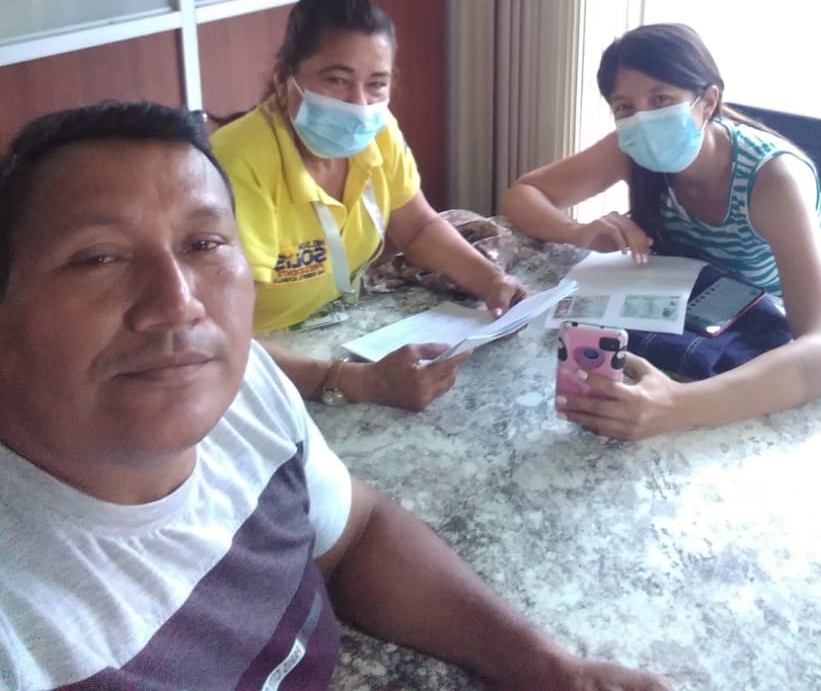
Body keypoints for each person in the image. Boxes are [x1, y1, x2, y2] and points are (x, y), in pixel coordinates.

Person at [0, 101, 670, 691]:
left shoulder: (245, 390)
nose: (177, 304)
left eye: (203, 244)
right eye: (98, 258)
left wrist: (545, 666)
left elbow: (354, 535)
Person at [501, 23, 821, 442]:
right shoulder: (631, 149)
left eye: (661, 99)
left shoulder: (773, 179)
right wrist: (577, 231)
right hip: (701, 323)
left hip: (778, 348)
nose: (643, 119)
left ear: (707, 101)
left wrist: (678, 406)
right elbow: (523, 194)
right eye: (624, 107)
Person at [211, 0, 526, 412]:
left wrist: (491, 281)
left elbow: (417, 227)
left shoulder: (378, 131)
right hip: (257, 365)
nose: (358, 105)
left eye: (376, 84)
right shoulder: (238, 162)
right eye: (337, 80)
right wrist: (355, 381)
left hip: (333, 330)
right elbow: (219, 336)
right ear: (285, 79)